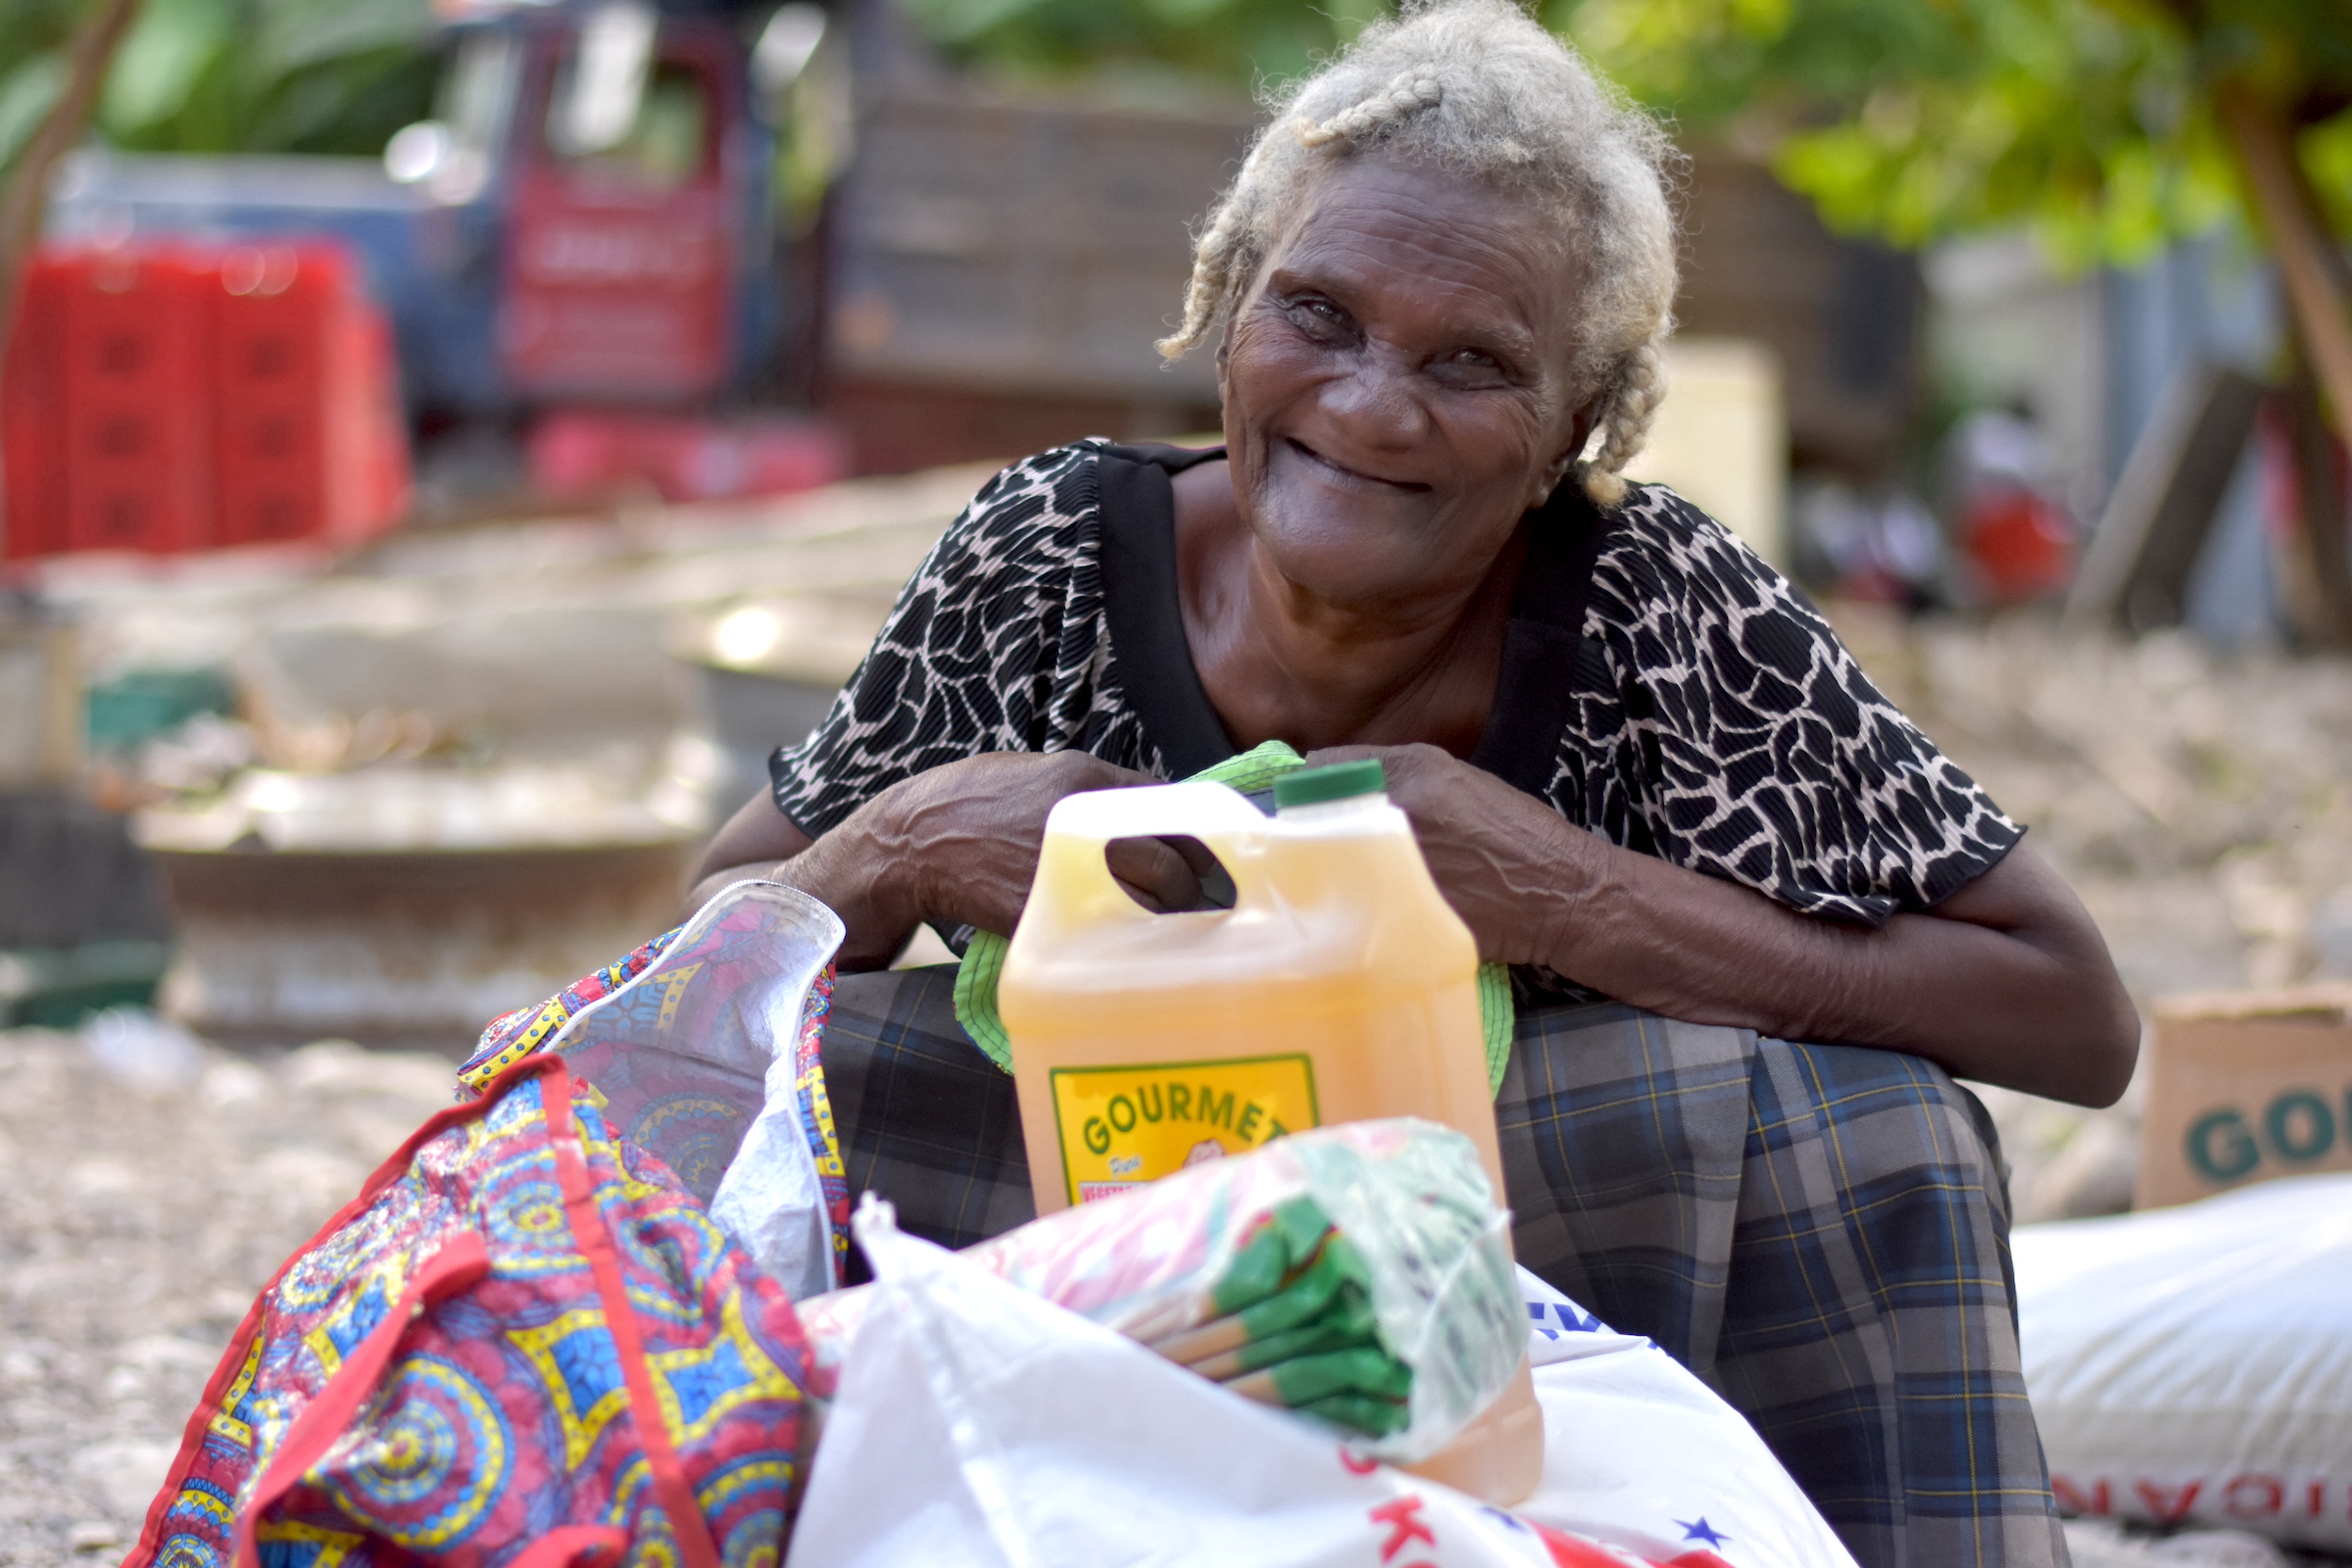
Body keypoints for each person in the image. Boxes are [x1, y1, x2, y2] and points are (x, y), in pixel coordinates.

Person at [691, 4, 2135, 1562]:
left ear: (1573, 426)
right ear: (1230, 307)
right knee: (798, 1065)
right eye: (1316, 314)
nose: (1374, 406)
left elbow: (2067, 1010)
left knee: (1883, 1131)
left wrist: (1564, 896)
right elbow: (676, 966)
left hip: (1517, 1251)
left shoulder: (1654, 608)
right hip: (1100, 1219)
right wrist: (906, 841)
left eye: (1472, 363)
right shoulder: (1046, 556)